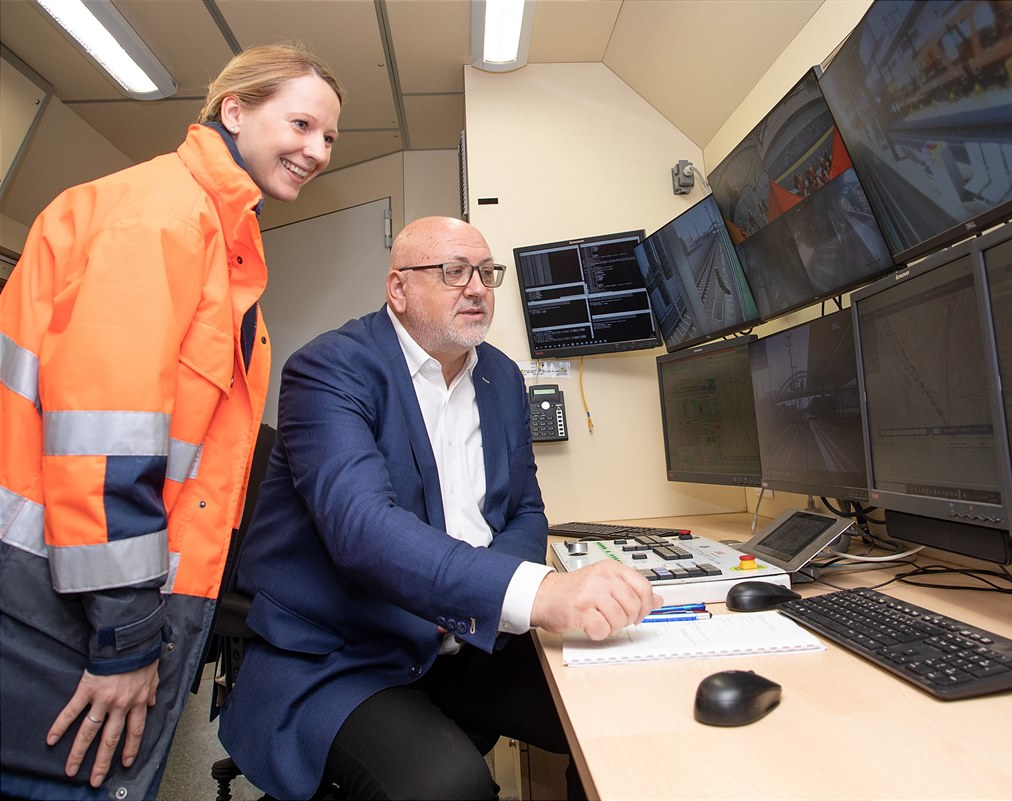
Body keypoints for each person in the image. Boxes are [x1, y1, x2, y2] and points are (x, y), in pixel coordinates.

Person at [0, 44, 343, 800]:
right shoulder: (162, 220)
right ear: (234, 111)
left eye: (330, 138)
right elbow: (104, 448)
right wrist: (124, 640)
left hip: (102, 599)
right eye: (301, 123)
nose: (317, 150)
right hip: (60, 607)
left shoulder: (224, 243)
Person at [217, 216, 660, 800]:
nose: (477, 287)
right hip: (344, 655)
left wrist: (486, 603)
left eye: (486, 272)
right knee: (449, 787)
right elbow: (362, 530)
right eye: (453, 272)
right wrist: (539, 594)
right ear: (397, 289)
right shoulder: (328, 369)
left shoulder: (501, 377)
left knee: (622, 711)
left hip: (465, 640)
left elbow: (525, 510)